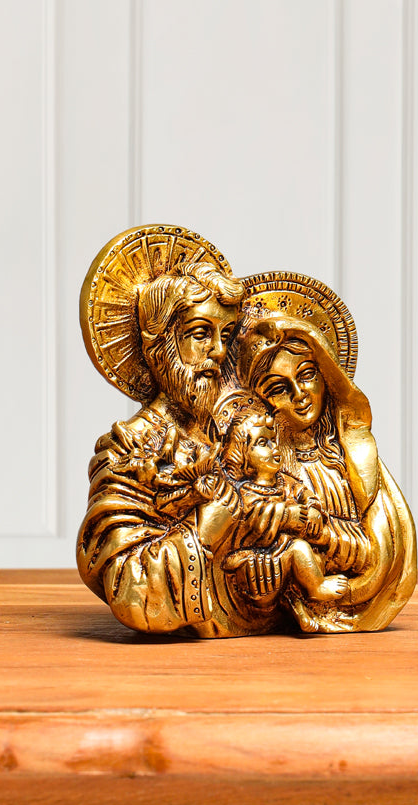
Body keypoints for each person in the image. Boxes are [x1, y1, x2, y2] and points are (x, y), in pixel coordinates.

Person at [78, 243, 287, 637]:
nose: (219, 351)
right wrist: (204, 532)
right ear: (159, 345)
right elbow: (130, 588)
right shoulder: (129, 450)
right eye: (200, 334)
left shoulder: (238, 427)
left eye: (226, 334)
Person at [235, 314, 417, 631]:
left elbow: (374, 554)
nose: (299, 394)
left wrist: (319, 532)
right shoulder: (267, 475)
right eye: (279, 388)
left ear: (326, 376)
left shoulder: (349, 463)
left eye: (306, 375)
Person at [216, 406, 352, 627]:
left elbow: (304, 493)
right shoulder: (246, 493)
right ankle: (316, 588)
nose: (274, 448)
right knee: (299, 549)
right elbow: (255, 519)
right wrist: (288, 515)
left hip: (283, 556)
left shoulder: (284, 482)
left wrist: (313, 509)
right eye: (263, 443)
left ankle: (296, 605)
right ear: (243, 456)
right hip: (262, 563)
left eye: (273, 440)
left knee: (313, 556)